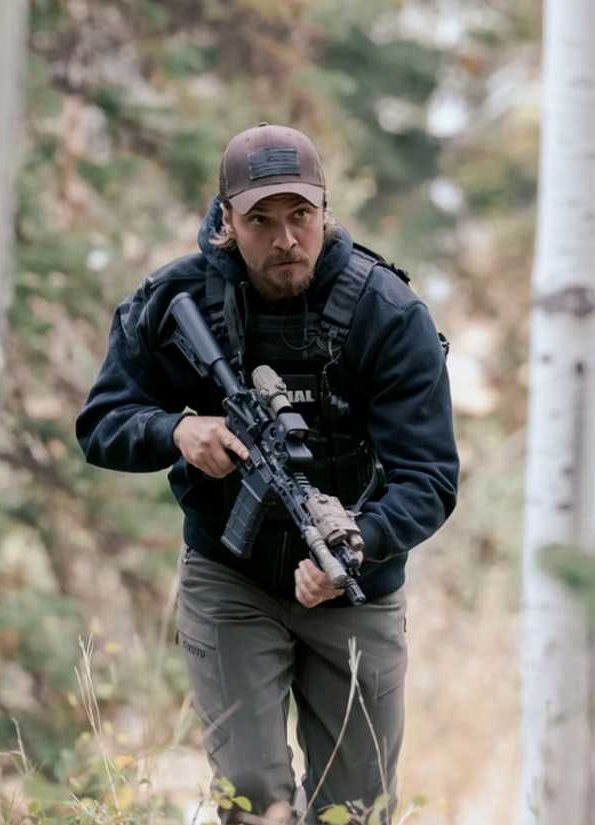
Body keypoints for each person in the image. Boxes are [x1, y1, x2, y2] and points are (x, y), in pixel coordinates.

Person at [75, 123, 459, 822]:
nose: (285, 238)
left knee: (357, 808)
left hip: (354, 589)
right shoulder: (173, 303)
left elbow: (429, 476)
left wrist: (358, 541)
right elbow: (101, 423)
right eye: (261, 219)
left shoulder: (388, 314)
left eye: (300, 216)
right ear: (227, 220)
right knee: (252, 794)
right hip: (231, 576)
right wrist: (178, 429)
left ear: (324, 210)